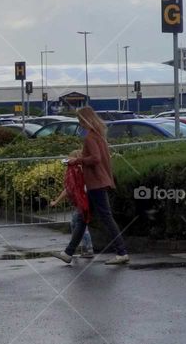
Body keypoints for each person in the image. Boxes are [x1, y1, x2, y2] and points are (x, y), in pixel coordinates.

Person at [55, 106, 129, 265]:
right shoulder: (99, 136)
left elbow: (95, 158)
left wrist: (78, 160)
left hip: (96, 183)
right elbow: (99, 157)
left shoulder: (90, 138)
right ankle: (68, 252)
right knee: (84, 217)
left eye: (80, 120)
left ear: (85, 119)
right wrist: (83, 157)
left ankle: (121, 252)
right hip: (99, 182)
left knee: (103, 217)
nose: (79, 123)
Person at [48, 150, 94, 259]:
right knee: (77, 223)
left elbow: (69, 189)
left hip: (82, 201)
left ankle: (85, 249)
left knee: (80, 224)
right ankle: (77, 249)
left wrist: (56, 201)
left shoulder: (76, 171)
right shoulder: (81, 170)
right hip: (83, 201)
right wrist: (57, 201)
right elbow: (68, 189)